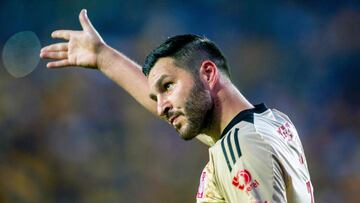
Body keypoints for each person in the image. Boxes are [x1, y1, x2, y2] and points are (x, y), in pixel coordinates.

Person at [40, 9, 314, 203]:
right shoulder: (271, 122)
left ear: (207, 73)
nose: (161, 108)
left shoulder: (241, 149)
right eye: (157, 96)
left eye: (168, 86)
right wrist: (104, 58)